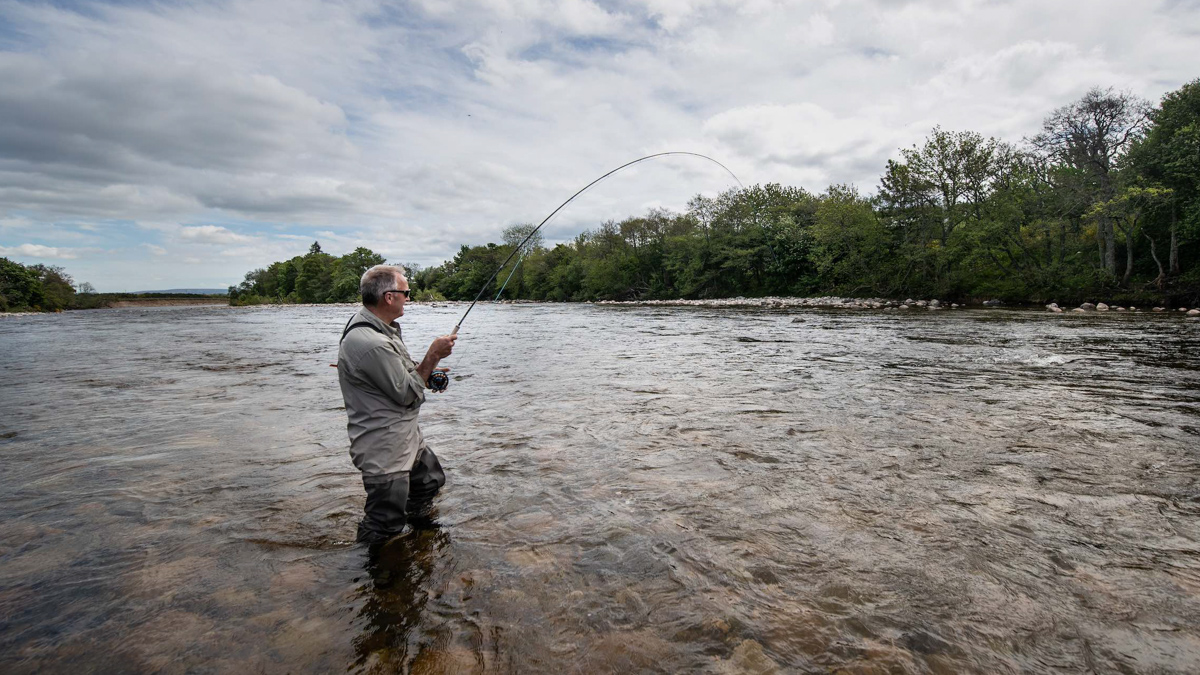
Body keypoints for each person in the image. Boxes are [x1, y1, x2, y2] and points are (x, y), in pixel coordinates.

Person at [337, 264, 457, 543]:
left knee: (429, 481)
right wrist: (432, 357)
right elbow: (406, 393)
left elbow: (397, 376)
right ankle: (371, 576)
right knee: (384, 523)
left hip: (405, 437)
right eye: (406, 292)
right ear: (389, 297)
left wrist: (424, 372)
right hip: (384, 446)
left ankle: (419, 537)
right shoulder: (371, 342)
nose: (409, 298)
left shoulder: (378, 328)